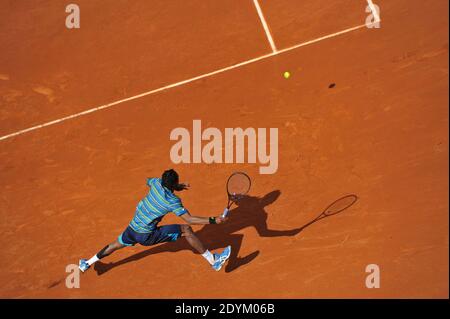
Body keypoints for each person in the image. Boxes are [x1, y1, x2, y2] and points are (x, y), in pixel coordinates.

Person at [79, 169, 231, 273]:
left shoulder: (156, 183)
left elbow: (148, 180)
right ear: (173, 185)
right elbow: (189, 219)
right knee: (186, 230)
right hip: (146, 235)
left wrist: (175, 186)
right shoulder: (172, 201)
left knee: (114, 245)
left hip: (133, 228)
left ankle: (87, 263)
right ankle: (213, 261)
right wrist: (214, 220)